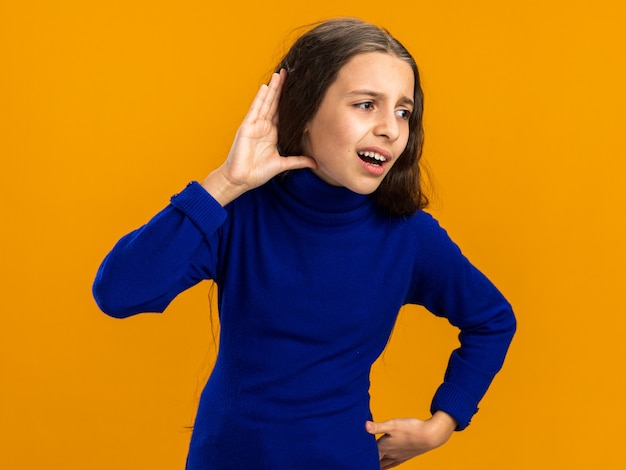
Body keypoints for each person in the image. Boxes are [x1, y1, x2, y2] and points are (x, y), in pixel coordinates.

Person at [93, 17, 516, 469]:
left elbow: (492, 320)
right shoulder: (238, 211)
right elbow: (118, 293)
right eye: (366, 104)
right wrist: (225, 183)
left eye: (402, 111)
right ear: (305, 109)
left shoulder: (408, 235)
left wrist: (442, 424)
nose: (391, 129)